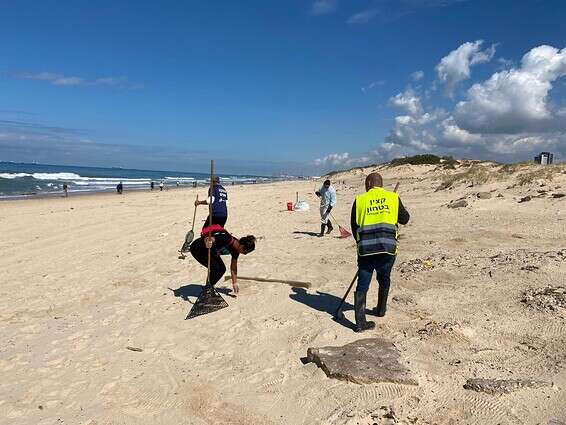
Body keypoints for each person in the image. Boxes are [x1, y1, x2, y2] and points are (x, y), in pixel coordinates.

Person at [350, 173, 410, 332]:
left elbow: (354, 227)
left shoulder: (360, 200)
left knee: (363, 284)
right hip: (387, 249)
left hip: (366, 250)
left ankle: (360, 322)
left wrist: (361, 244)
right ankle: (381, 310)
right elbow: (405, 219)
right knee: (384, 277)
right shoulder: (392, 198)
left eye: (365, 183)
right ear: (380, 184)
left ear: (369, 183)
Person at [189, 225, 256, 295]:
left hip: (210, 252)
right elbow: (209, 239)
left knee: (222, 269)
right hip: (198, 248)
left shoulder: (236, 251)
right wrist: (209, 241)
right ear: (242, 246)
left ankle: (209, 286)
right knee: (215, 268)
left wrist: (234, 283)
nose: (244, 254)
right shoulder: (227, 239)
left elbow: (233, 268)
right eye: (245, 252)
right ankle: (208, 288)